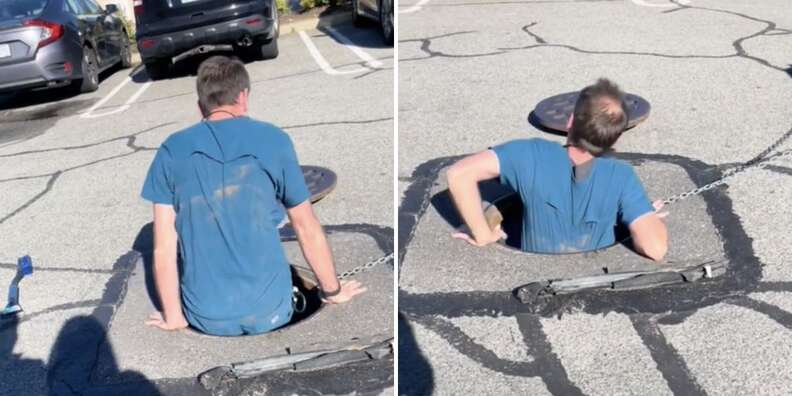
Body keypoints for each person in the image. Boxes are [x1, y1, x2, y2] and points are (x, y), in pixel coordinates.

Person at [140, 56, 366, 336]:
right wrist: (332, 290)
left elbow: (163, 247)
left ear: (201, 106)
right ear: (243, 96)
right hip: (272, 309)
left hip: (205, 315)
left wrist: (174, 317)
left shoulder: (171, 150)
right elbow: (305, 226)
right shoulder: (273, 140)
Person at [446, 78, 668, 261]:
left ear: (570, 121)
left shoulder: (528, 154)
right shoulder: (622, 176)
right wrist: (643, 215)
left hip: (531, 272)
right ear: (616, 137)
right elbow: (656, 250)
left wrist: (482, 234)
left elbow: (459, 174)